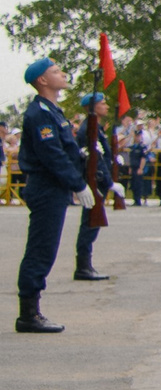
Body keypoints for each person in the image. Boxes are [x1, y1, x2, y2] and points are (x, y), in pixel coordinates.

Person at [16, 59, 90, 332]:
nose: (63, 74)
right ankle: (28, 314)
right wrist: (77, 184)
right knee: (41, 250)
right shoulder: (39, 113)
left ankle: (31, 311)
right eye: (56, 72)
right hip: (47, 187)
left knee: (46, 249)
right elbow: (52, 155)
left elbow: (67, 151)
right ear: (43, 81)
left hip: (54, 188)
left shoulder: (53, 111)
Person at [75, 92, 116, 282]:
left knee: (92, 224)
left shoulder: (96, 129)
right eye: (103, 102)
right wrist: (108, 182)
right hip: (95, 182)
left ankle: (85, 265)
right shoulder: (88, 130)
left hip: (98, 181)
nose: (106, 106)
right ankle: (83, 266)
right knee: (90, 223)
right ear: (93, 107)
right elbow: (95, 160)